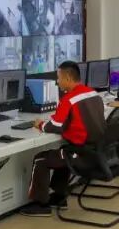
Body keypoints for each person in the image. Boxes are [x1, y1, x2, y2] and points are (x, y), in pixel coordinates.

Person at [19, 60, 106, 217]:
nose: (57, 82)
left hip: (81, 154)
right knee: (62, 152)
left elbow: (55, 126)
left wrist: (40, 124)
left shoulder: (69, 99)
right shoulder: (93, 93)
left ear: (67, 78)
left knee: (41, 159)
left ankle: (41, 204)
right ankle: (59, 197)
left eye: (58, 78)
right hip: (95, 152)